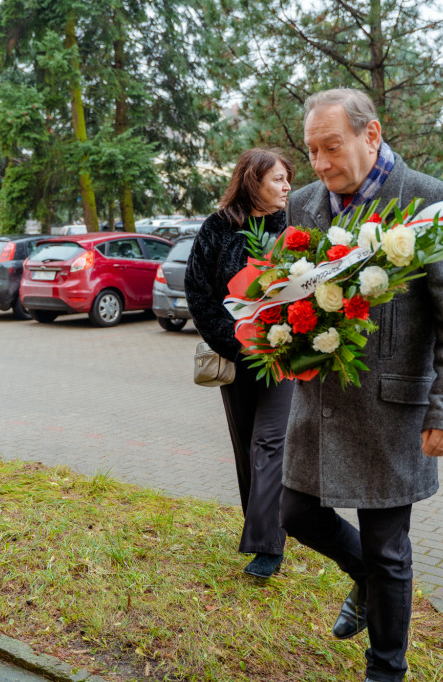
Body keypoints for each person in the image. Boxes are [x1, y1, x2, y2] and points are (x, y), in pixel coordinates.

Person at [279, 89, 443, 681]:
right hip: (320, 405)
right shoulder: (304, 205)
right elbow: (289, 289)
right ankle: (364, 577)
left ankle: (385, 670)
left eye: (330, 147)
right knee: (294, 513)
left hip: (392, 409)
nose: (319, 163)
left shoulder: (431, 203)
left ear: (371, 135)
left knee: (390, 550)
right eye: (312, 149)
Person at [185, 148, 295, 579]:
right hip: (237, 355)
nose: (287, 186)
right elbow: (198, 291)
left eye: (288, 178)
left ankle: (268, 546)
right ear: (253, 181)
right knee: (247, 445)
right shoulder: (218, 227)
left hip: (283, 356)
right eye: (278, 179)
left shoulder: (293, 226)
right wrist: (234, 343)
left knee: (270, 443)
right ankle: (261, 526)